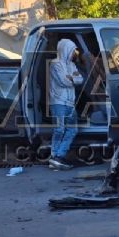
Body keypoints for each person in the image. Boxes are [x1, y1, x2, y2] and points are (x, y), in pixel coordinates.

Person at [48, 39, 83, 170]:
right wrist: (72, 78)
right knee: (59, 130)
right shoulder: (55, 64)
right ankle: (55, 156)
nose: (75, 52)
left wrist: (71, 77)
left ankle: (58, 156)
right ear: (66, 49)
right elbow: (64, 82)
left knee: (73, 130)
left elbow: (80, 80)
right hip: (58, 103)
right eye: (73, 49)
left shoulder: (72, 65)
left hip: (70, 103)